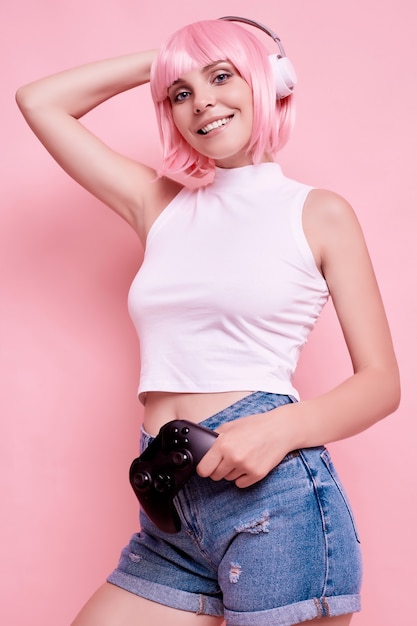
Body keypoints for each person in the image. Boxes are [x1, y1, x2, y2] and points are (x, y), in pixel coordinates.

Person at [16, 17, 400, 626]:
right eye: (181, 93)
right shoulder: (157, 204)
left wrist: (278, 430)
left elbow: (381, 383)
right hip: (170, 505)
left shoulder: (319, 213)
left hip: (275, 499)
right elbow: (40, 101)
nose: (202, 102)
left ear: (269, 81)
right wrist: (170, 60)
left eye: (223, 77)